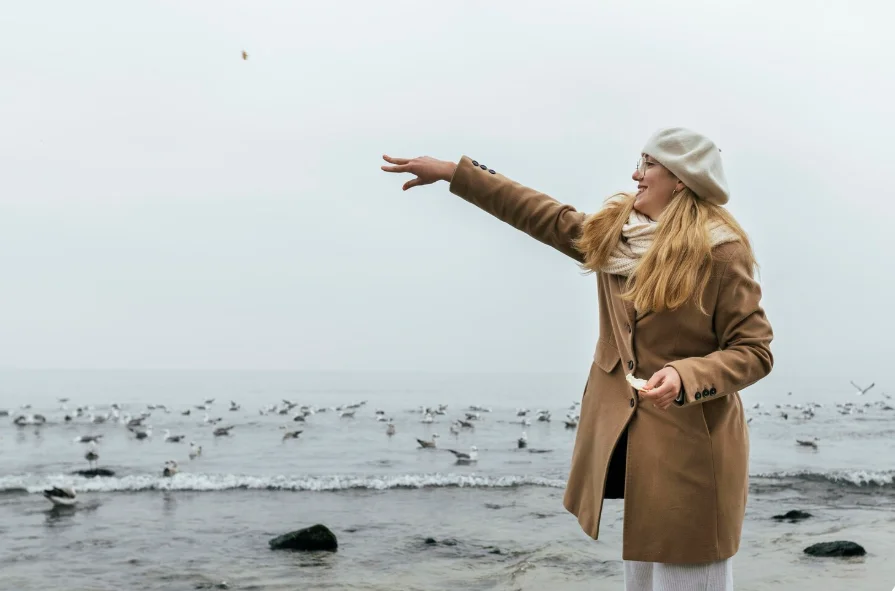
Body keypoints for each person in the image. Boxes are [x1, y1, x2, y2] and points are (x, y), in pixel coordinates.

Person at [380, 127, 773, 591]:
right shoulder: (614, 237)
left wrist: (684, 375)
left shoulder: (721, 253)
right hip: (631, 445)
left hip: (694, 450)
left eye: (649, 165)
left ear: (680, 180)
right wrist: (453, 173)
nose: (636, 174)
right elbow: (538, 212)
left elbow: (754, 350)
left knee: (691, 573)